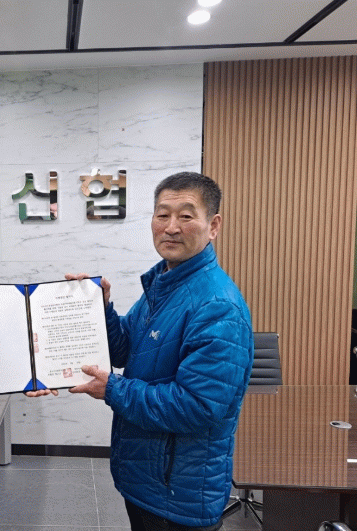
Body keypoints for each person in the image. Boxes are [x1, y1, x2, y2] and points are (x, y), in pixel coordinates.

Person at [67, 172, 254, 530]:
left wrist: (113, 389)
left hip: (178, 494)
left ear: (213, 226)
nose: (171, 227)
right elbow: (126, 349)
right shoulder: (165, 284)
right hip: (149, 480)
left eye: (186, 216)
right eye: (163, 214)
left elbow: (198, 406)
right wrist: (101, 309)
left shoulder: (217, 305)